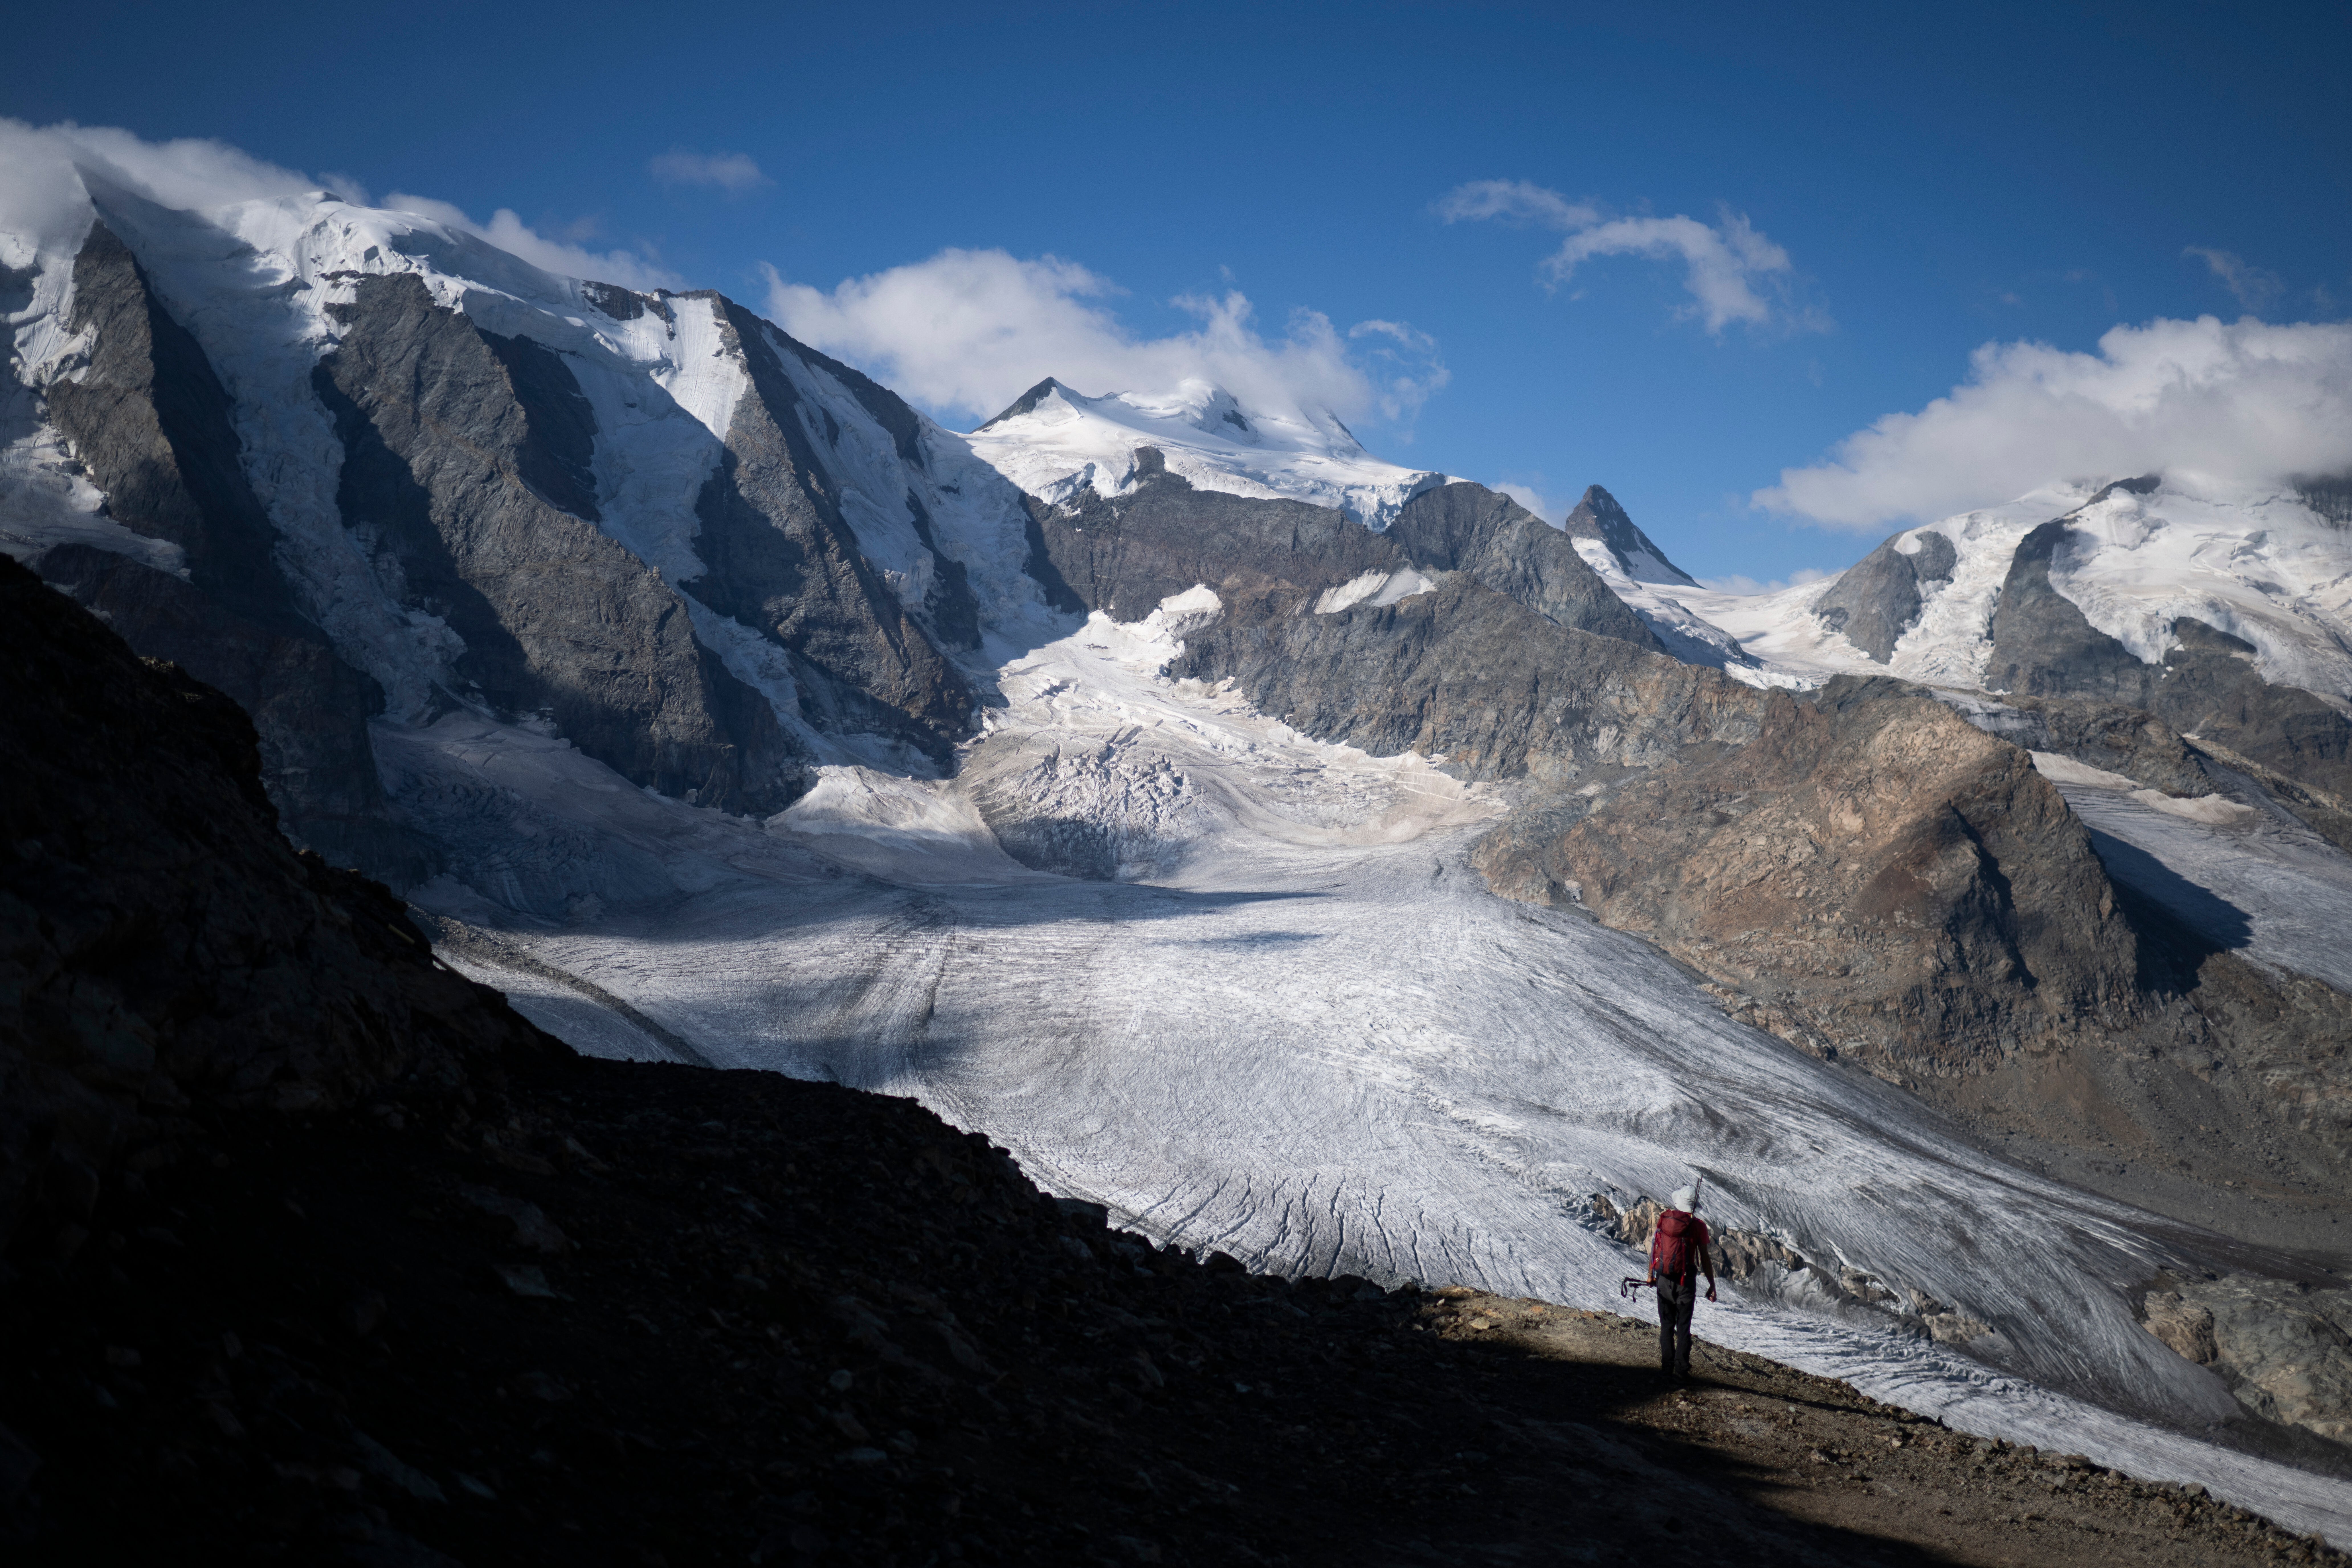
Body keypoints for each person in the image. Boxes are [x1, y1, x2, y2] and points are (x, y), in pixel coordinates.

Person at [1647, 1184, 1715, 1379]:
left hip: (1663, 1280)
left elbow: (1655, 1247)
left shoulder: (1665, 1219)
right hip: (1685, 1284)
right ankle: (1681, 1372)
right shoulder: (1699, 1226)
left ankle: (1666, 1369)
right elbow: (1704, 1258)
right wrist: (1712, 1284)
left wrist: (1651, 1275)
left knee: (1667, 1326)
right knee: (1683, 1328)